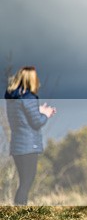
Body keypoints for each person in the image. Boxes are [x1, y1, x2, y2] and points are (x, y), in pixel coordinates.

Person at [4, 66, 56, 205]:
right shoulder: (29, 97)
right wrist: (46, 114)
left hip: (17, 145)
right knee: (27, 182)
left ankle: (18, 210)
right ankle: (20, 211)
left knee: (23, 181)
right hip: (28, 145)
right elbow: (37, 122)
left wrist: (38, 109)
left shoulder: (12, 98)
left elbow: (22, 116)